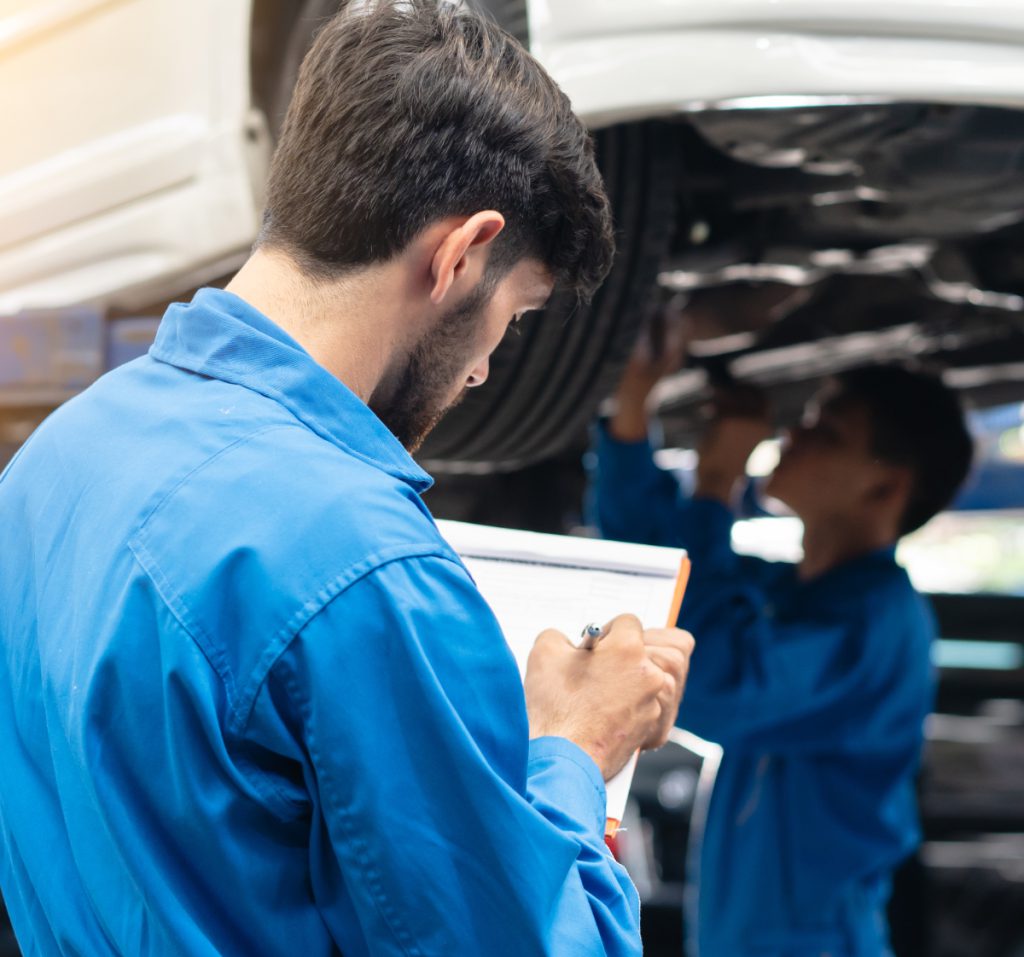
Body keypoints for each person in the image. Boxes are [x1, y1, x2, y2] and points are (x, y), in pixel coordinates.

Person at [0, 4, 695, 955]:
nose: (487, 368)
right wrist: (575, 745)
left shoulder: (52, 464)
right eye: (515, 313)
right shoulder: (358, 563)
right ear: (460, 253)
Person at [590, 326, 974, 957]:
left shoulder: (876, 626)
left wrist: (717, 482)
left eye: (828, 432)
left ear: (884, 487)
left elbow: (711, 682)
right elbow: (660, 575)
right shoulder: (795, 598)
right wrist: (634, 410)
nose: (792, 434)